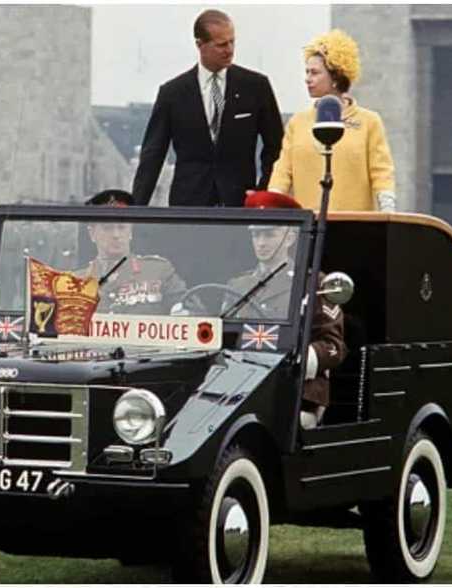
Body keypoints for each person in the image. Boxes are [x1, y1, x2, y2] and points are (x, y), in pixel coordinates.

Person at [132, 9, 283, 207]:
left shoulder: (256, 87)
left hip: (241, 205)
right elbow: (153, 154)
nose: (229, 50)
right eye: (221, 44)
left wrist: (262, 193)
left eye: (232, 42)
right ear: (200, 44)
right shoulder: (172, 93)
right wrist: (135, 210)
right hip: (189, 206)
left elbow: (276, 147)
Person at [237, 190, 345, 428]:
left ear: (289, 238)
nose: (261, 243)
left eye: (269, 234)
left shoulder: (313, 283)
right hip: (241, 389)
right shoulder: (238, 285)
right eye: (256, 236)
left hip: (297, 393)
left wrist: (302, 362)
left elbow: (334, 347)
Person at [266, 29, 396, 212]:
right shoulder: (297, 122)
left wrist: (387, 209)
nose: (307, 79)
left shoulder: (369, 122)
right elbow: (282, 171)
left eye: (314, 73)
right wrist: (271, 202)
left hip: (356, 226)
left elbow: (382, 172)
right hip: (309, 226)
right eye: (307, 72)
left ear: (335, 77)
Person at [77, 189, 187, 314]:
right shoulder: (75, 283)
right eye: (107, 228)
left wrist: (182, 314)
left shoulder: (158, 271)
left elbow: (192, 313)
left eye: (122, 227)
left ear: (130, 231)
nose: (116, 235)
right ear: (92, 233)